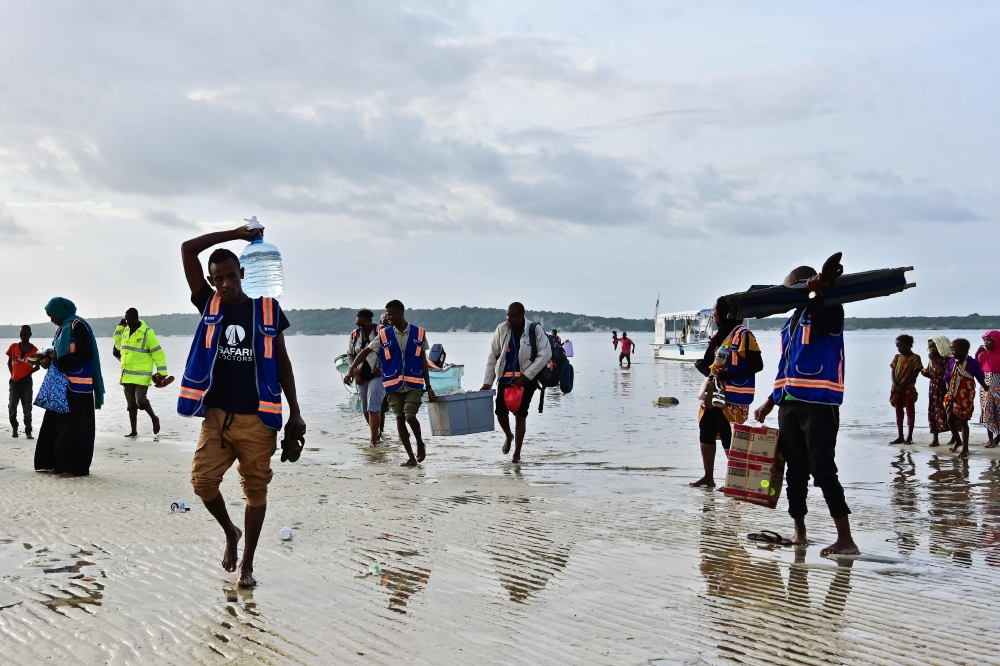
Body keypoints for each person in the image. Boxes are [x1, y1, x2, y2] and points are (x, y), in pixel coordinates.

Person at [179, 224, 307, 588]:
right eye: (218, 278)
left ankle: (248, 563)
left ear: (243, 274)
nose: (225, 284)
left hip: (258, 420)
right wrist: (236, 234)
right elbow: (188, 249)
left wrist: (295, 412)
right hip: (217, 417)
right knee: (202, 482)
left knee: (255, 490)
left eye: (231, 275)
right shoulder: (208, 303)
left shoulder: (267, 310)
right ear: (211, 280)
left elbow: (282, 361)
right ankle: (229, 532)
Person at [752, 264, 859, 556]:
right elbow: (785, 365)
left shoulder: (831, 308)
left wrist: (816, 293)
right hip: (789, 403)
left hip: (820, 404)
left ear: (805, 286)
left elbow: (824, 327)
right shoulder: (793, 320)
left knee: (824, 470)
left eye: (792, 287)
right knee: (794, 471)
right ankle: (799, 531)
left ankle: (845, 539)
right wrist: (770, 400)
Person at [348, 300, 435, 467]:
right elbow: (365, 351)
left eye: (390, 314)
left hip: (414, 384)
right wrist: (351, 370)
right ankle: (411, 457)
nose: (387, 317)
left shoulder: (419, 333)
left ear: (400, 313)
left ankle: (420, 443)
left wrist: (429, 387)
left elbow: (423, 361)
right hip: (393, 385)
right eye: (386, 314)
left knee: (410, 417)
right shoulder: (384, 334)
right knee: (399, 420)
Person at [690, 298, 763, 487]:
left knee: (726, 432)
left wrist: (728, 374)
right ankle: (708, 477)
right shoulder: (716, 336)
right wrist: (703, 367)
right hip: (714, 392)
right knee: (705, 429)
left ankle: (737, 480)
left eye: (715, 309)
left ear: (725, 312)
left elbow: (757, 365)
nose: (713, 313)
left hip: (733, 395)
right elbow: (708, 363)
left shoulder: (743, 334)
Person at [34, 298, 106, 477]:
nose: (51, 319)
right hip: (61, 386)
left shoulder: (77, 325)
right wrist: (49, 354)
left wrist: (59, 359)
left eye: (52, 315)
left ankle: (72, 468)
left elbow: (84, 352)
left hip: (78, 388)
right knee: (54, 423)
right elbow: (61, 351)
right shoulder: (62, 328)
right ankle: (52, 463)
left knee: (75, 428)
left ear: (61, 312)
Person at [481, 302, 552, 463]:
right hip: (505, 378)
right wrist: (488, 382)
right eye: (507, 315)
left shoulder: (534, 329)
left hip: (527, 380)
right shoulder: (502, 329)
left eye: (512, 316)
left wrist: (526, 376)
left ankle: (517, 453)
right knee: (500, 412)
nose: (509, 319)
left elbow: (545, 354)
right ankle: (508, 435)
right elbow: (493, 355)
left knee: (520, 415)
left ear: (521, 316)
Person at [113, 308, 169, 438]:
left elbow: (157, 352)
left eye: (130, 319)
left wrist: (162, 371)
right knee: (131, 404)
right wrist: (118, 329)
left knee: (141, 401)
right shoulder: (125, 331)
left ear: (137, 318)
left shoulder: (147, 332)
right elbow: (117, 345)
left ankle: (154, 418)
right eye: (126, 319)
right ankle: (134, 431)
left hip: (142, 375)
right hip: (127, 374)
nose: (128, 321)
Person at [343, 309, 384, 446]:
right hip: (361, 374)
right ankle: (376, 431)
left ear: (370, 322)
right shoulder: (355, 335)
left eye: (363, 324)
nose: (360, 327)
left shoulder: (381, 331)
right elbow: (350, 355)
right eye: (357, 324)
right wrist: (354, 373)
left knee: (373, 406)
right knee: (365, 408)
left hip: (377, 374)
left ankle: (373, 440)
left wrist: (382, 369)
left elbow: (391, 352)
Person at [944, 338, 987, 459]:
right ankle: (958, 440)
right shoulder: (951, 362)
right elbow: (947, 378)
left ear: (963, 350)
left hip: (966, 395)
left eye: (953, 349)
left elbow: (980, 378)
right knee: (950, 418)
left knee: (963, 420)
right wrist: (950, 392)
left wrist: (986, 387)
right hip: (952, 394)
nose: (951, 351)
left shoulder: (973, 363)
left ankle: (965, 448)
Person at [889, 334, 923, 445]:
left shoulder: (915, 358)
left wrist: (903, 385)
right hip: (897, 388)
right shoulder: (897, 357)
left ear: (909, 345)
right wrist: (895, 384)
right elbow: (893, 371)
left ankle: (909, 437)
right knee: (898, 411)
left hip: (908, 388)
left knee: (910, 411)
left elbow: (915, 374)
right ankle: (900, 436)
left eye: (901, 346)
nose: (899, 348)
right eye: (897, 346)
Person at [7, 325, 39, 439]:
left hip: (26, 383)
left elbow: (38, 366)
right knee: (12, 407)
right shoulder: (13, 347)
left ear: (30, 335)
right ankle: (15, 427)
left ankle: (28, 432)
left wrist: (28, 373)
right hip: (14, 382)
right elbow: (9, 362)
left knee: (27, 409)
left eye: (25, 334)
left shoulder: (35, 350)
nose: (23, 336)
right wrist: (13, 374)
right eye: (21, 334)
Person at [921, 335, 952, 447]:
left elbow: (945, 373)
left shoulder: (949, 360)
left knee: (950, 412)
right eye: (930, 347)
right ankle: (935, 438)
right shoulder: (931, 359)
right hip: (934, 389)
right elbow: (932, 374)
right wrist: (926, 373)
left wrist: (935, 361)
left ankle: (955, 437)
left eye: (934, 346)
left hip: (946, 389)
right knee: (934, 412)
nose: (932, 349)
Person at [976, 331, 1000, 449]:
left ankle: (998, 437)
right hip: (986, 388)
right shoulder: (983, 355)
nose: (986, 343)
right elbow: (976, 369)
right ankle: (990, 439)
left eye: (989, 340)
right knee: (987, 411)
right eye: (984, 340)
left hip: (998, 387)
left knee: (999, 412)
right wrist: (976, 354)